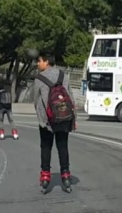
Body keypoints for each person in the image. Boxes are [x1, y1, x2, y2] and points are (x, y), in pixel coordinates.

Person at [33, 53, 76, 191]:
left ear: (46, 62)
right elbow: (70, 96)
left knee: (46, 147)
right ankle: (66, 174)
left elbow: (35, 100)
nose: (37, 64)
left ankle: (45, 176)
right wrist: (73, 118)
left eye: (39, 61)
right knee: (62, 147)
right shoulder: (63, 75)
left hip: (46, 120)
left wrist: (41, 117)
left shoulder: (39, 78)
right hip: (64, 118)